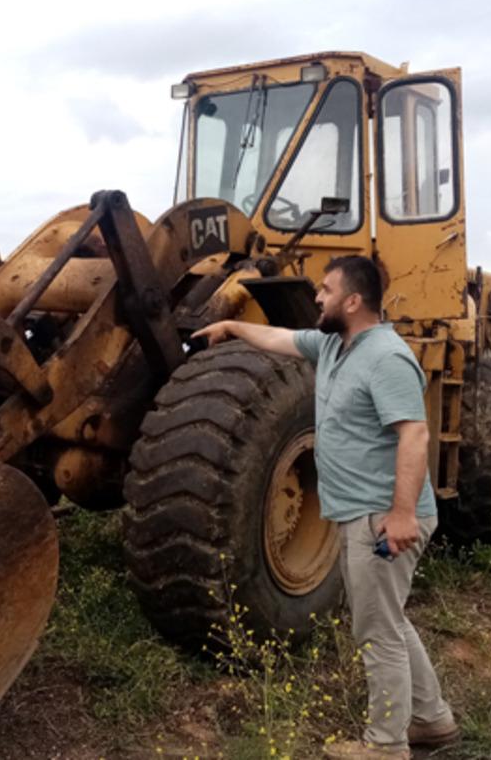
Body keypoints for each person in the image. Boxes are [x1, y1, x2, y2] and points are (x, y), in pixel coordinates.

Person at [194, 256, 456, 760]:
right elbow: (281, 340)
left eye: (326, 289)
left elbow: (415, 434)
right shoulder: (335, 344)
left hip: (382, 516)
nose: (317, 296)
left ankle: (386, 744)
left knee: (376, 630)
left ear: (353, 301)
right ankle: (432, 719)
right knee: (389, 619)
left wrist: (401, 515)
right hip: (362, 512)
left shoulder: (387, 358)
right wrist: (230, 325)